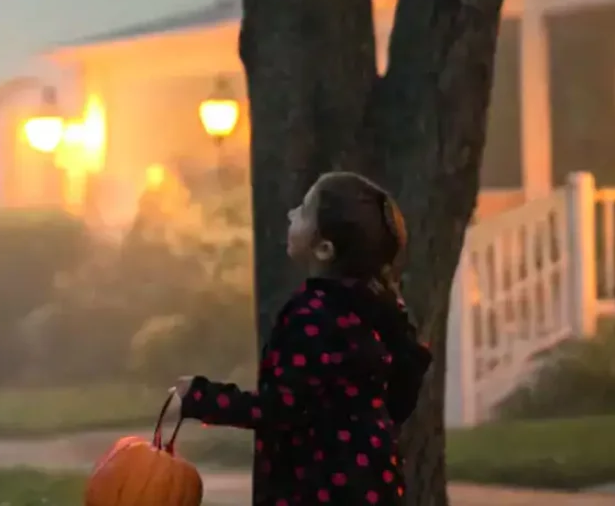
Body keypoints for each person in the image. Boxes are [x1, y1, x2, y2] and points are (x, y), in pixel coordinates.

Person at [169, 172, 432, 505]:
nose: (292, 213)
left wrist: (201, 398)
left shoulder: (312, 316)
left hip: (315, 490)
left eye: (305, 211)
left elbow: (280, 407)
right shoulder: (379, 312)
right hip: (374, 488)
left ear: (324, 248)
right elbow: (398, 399)